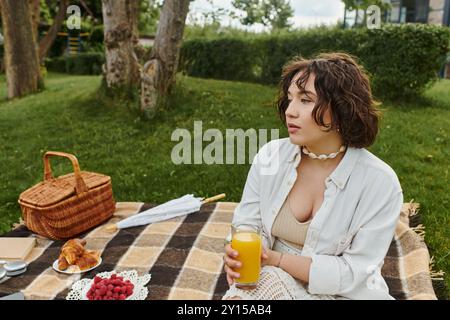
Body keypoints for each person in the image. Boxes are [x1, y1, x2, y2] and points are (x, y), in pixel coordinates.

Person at [222, 52, 403, 300]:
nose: (290, 111)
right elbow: (247, 221)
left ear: (341, 109)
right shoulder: (270, 156)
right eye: (289, 99)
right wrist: (239, 252)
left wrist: (278, 260)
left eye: (305, 100)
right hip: (270, 279)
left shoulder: (380, 183)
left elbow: (356, 273)